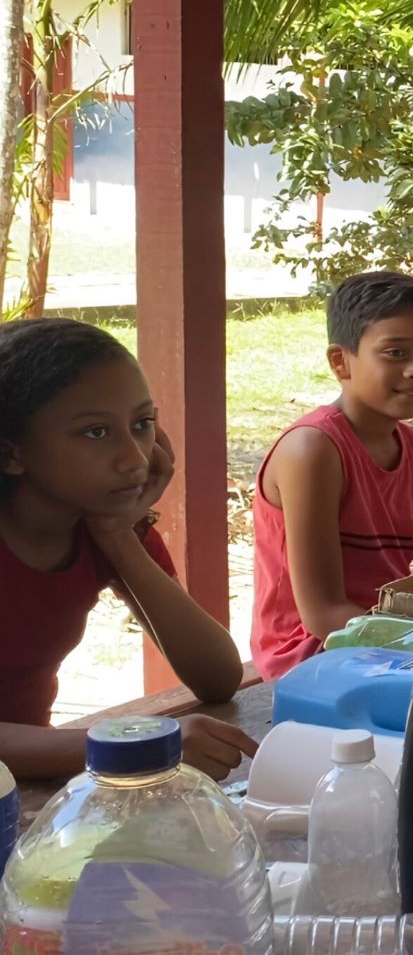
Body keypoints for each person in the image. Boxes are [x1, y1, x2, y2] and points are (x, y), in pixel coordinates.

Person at [0, 319, 257, 780]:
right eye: (96, 432)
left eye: (142, 425)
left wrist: (118, 535)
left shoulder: (102, 522)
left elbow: (217, 676)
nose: (135, 459)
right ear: (11, 452)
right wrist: (133, 745)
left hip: (24, 786)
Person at [253, 271, 413, 680]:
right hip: (312, 655)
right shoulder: (313, 450)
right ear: (340, 362)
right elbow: (322, 613)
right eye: (396, 353)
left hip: (391, 640)